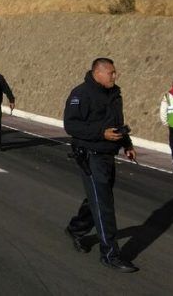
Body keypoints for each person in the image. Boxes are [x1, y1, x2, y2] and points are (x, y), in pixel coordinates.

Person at [63, 58, 139, 273]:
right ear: (98, 73)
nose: (115, 76)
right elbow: (71, 125)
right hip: (90, 154)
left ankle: (76, 229)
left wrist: (126, 143)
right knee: (104, 204)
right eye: (111, 73)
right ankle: (110, 254)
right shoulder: (81, 94)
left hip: (107, 154)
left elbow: (116, 123)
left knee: (97, 197)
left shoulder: (114, 94)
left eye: (115, 73)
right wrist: (100, 133)